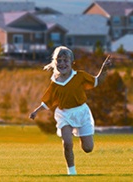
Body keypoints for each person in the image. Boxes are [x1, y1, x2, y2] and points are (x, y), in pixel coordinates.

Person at [29, 46, 111, 175]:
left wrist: (104, 68)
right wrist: (36, 111)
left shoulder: (80, 76)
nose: (62, 64)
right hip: (64, 114)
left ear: (72, 62)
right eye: (59, 60)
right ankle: (71, 172)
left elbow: (97, 81)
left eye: (65, 60)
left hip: (82, 113)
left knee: (88, 148)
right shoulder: (54, 82)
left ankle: (81, 134)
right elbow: (48, 101)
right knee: (67, 143)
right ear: (55, 63)